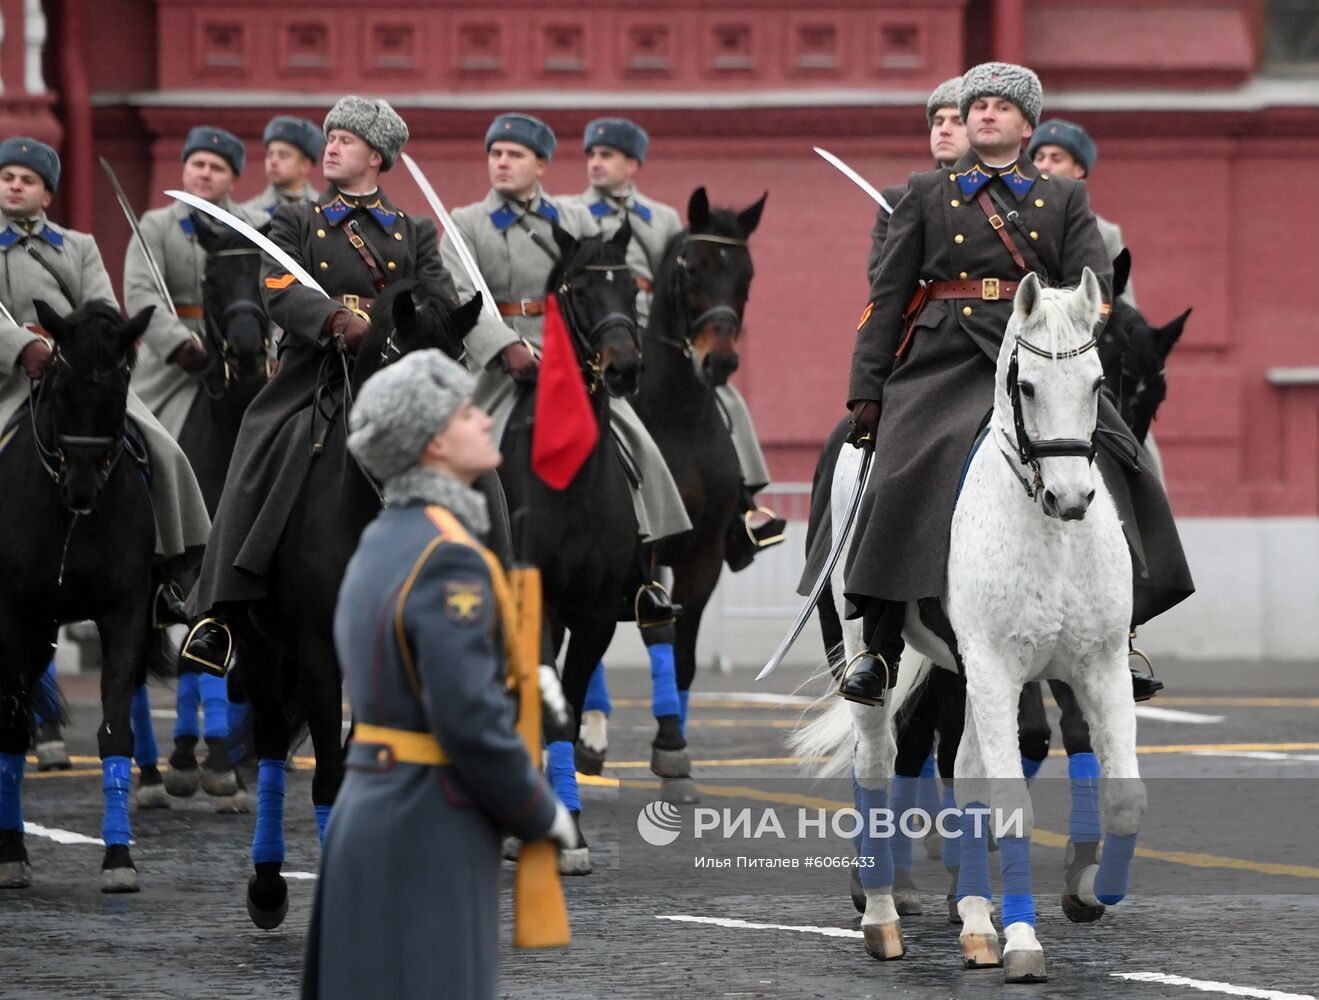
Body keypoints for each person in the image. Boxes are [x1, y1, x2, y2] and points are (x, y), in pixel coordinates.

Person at [839, 62, 1193, 705]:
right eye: (977, 106)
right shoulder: (924, 193)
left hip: (1037, 353)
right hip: (945, 355)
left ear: (1026, 124)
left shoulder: (1062, 199)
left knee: (1120, 459)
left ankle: (1126, 628)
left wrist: (1067, 336)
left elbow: (1096, 287)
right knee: (901, 466)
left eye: (1001, 106)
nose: (985, 115)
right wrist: (868, 385)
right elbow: (886, 297)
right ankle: (881, 649)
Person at [301, 349, 576, 1000]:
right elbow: (466, 722)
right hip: (426, 828)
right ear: (431, 445)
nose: (484, 420)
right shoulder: (451, 557)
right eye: (464, 412)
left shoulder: (384, 539)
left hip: (372, 812)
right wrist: (539, 812)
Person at [183, 96, 463, 675]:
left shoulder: (414, 231)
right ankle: (220, 612)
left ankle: (489, 594)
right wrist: (338, 321)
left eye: (345, 140)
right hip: (316, 370)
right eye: (330, 136)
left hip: (397, 376)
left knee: (480, 466)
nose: (330, 146)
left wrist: (401, 325)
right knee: (262, 448)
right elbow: (280, 285)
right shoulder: (298, 221)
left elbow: (440, 299)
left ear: (377, 156)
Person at [0, 135, 209, 773]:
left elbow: (103, 306)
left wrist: (89, 347)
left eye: (27, 180)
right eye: (6, 177)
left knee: (161, 445)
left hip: (78, 376)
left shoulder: (80, 246)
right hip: (7, 377)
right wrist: (20, 346)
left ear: (48, 192)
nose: (14, 187)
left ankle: (169, 571)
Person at [442, 112, 691, 548]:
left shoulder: (577, 219)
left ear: (541, 165)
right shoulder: (466, 224)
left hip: (573, 355)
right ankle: (451, 547)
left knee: (632, 441)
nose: (501, 162)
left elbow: (604, 289)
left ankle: (642, 560)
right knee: (460, 450)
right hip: (499, 360)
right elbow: (460, 296)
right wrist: (506, 348)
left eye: (514, 155)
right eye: (495, 154)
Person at [570, 116, 784, 569]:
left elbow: (681, 280)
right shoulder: (570, 213)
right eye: (591, 155)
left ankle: (744, 505)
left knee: (727, 401)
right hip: (600, 332)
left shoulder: (663, 218)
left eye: (606, 156)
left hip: (658, 331)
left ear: (633, 163)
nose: (595, 163)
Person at [124, 125, 268, 438]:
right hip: (175, 367)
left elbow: (278, 290)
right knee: (141, 441)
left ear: (233, 178)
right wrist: (177, 342)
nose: (205, 174)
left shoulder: (258, 227)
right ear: (184, 170)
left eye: (217, 168)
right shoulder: (157, 225)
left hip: (244, 354)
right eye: (197, 164)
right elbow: (140, 292)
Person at [1027, 118, 1136, 307]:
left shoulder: (1103, 233)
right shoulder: (1010, 216)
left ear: (1079, 169)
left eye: (1056, 158)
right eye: (1039, 157)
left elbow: (1123, 305)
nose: (1044, 165)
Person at [242, 115, 324, 218]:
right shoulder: (249, 213)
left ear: (305, 165)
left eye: (283, 155)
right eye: (269, 154)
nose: (273, 161)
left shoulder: (324, 210)